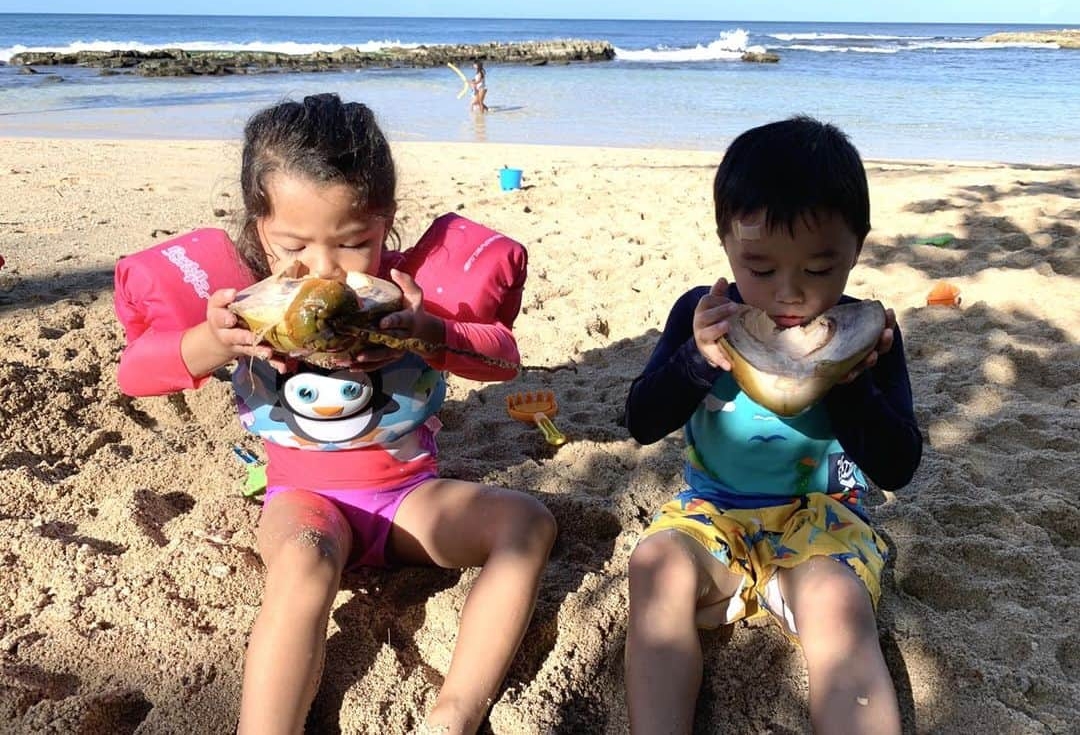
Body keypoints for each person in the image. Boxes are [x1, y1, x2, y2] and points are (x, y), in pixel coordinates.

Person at [121, 94, 556, 735]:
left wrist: (429, 334)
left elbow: (502, 359)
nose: (324, 269)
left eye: (355, 244)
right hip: (304, 501)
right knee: (302, 564)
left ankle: (455, 712)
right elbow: (135, 373)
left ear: (386, 223)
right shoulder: (244, 307)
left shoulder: (406, 299)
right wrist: (216, 341)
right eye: (293, 244)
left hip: (410, 503)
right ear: (257, 228)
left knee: (528, 522)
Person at [623, 116, 921, 734]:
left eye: (817, 270)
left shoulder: (870, 336)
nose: (789, 294)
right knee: (654, 566)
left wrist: (854, 385)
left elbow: (898, 466)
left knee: (836, 606)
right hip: (714, 512)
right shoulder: (701, 317)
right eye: (760, 268)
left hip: (826, 516)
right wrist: (693, 362)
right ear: (726, 244)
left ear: (856, 250)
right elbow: (642, 421)